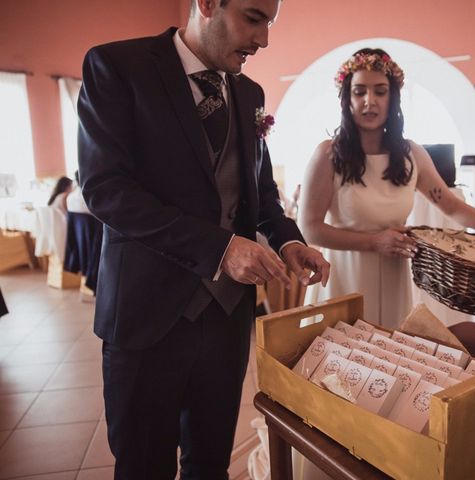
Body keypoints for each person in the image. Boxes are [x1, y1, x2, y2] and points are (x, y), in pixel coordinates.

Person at [77, 1, 329, 478]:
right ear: (208, 4)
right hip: (146, 314)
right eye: (254, 18)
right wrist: (219, 249)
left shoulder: (250, 93)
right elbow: (106, 191)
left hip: (227, 318)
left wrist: (288, 239)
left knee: (209, 461)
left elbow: (261, 191)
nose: (264, 40)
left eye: (270, 24)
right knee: (143, 465)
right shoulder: (117, 67)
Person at [299, 48, 475, 329]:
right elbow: (310, 228)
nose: (369, 101)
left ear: (393, 97)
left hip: (393, 272)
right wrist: (375, 242)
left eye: (380, 91)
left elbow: (452, 206)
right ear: (346, 99)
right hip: (344, 277)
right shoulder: (328, 154)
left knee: (390, 358)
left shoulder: (412, 154)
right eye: (359, 91)